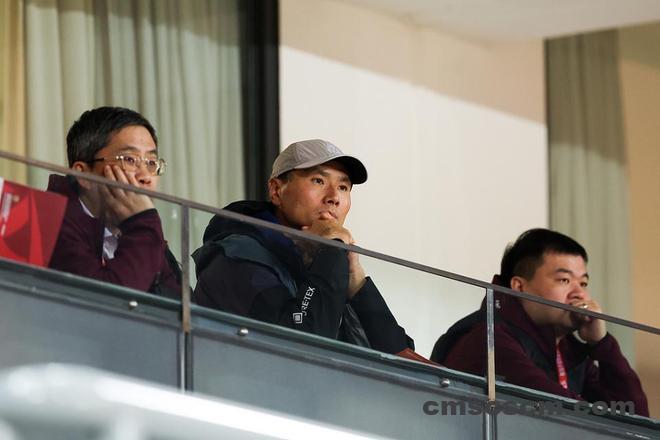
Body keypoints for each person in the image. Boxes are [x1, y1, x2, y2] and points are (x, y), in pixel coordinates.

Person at [193, 139, 413, 354]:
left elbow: (401, 356)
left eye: (343, 187)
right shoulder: (236, 256)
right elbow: (303, 349)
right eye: (318, 181)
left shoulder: (318, 264)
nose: (334, 197)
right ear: (276, 190)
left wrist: (357, 282)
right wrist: (332, 248)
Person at [431, 229, 649, 416]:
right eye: (564, 280)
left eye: (583, 283)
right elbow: (563, 413)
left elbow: (636, 419)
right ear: (520, 287)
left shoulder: (567, 350)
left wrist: (601, 343)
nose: (580, 294)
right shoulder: (488, 337)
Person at [47, 106, 181, 298]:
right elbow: (109, 303)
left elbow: (182, 307)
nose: (145, 176)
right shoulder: (53, 225)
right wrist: (142, 222)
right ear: (83, 175)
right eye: (129, 160)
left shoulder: (141, 232)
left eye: (151, 163)